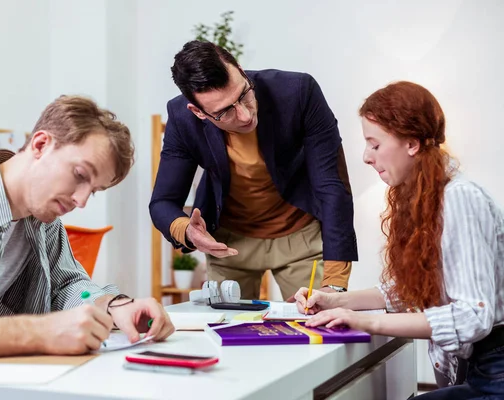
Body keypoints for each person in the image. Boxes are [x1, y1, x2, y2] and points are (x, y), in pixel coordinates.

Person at [0, 95, 174, 362]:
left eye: (93, 191)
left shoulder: (45, 222)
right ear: (41, 144)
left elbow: (68, 286)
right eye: (80, 175)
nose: (80, 201)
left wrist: (116, 306)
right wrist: (38, 333)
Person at [294, 81, 504, 399]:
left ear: (412, 144)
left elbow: (473, 315)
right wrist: (338, 301)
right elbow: (411, 290)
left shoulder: (460, 198)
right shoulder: (426, 198)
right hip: (477, 368)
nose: (366, 157)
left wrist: (367, 323)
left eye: (374, 145)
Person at [150, 40, 357, 300]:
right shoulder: (182, 118)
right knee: (227, 333)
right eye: (224, 112)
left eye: (244, 94)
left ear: (240, 69)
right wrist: (188, 231)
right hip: (228, 244)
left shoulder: (299, 92)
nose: (246, 115)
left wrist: (335, 284)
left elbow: (332, 184)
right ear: (198, 112)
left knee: (317, 328)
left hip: (301, 236)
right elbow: (162, 202)